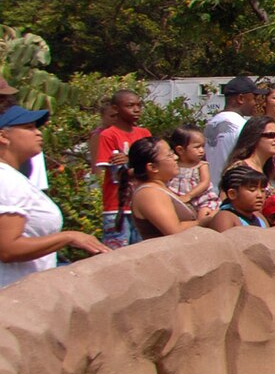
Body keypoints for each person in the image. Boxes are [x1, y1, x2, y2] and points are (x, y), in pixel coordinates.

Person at [1, 105, 109, 285]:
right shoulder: (5, 179)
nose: (38, 133)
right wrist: (68, 237)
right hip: (13, 296)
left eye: (37, 127)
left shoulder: (14, 177)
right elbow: (8, 249)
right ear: (3, 136)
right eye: (28, 128)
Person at [118, 135, 215, 239]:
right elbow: (174, 231)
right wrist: (205, 220)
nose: (176, 157)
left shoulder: (159, 188)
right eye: (169, 155)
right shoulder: (150, 193)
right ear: (153, 167)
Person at [93, 87, 150, 244]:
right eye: (130, 106)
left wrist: (128, 160)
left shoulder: (144, 134)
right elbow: (117, 175)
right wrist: (139, 164)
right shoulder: (108, 135)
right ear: (115, 108)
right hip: (116, 208)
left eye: (139, 105)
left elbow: (153, 168)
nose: (136, 109)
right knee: (118, 255)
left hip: (143, 205)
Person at [203, 75, 263, 185]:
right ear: (241, 99)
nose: (255, 103)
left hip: (212, 189)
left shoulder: (210, 124)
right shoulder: (243, 126)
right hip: (235, 188)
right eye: (254, 98)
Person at [205, 162, 272, 232]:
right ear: (232, 194)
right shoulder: (225, 217)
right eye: (252, 190)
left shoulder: (260, 218)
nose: (260, 195)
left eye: (262, 190)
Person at [166, 125, 217, 213]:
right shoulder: (174, 165)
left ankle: (201, 223)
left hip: (200, 199)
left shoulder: (201, 165)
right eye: (197, 147)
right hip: (177, 198)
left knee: (205, 212)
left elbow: (205, 182)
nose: (202, 150)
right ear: (180, 150)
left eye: (203, 146)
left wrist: (189, 195)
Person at [225, 115, 275, 186]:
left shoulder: (266, 169)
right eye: (271, 135)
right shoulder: (240, 168)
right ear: (255, 137)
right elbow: (226, 196)